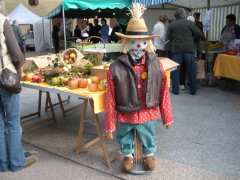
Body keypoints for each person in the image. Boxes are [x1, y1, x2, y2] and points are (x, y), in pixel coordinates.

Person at [105, 3, 173, 173]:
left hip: (147, 111)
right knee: (124, 134)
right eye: (134, 42)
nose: (138, 46)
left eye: (142, 42)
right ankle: (127, 155)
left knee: (148, 133)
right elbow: (110, 98)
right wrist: (110, 125)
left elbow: (164, 92)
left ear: (147, 43)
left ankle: (149, 154)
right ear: (127, 42)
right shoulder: (115, 67)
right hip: (125, 111)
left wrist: (167, 117)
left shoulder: (157, 65)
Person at [0, 1, 37, 172]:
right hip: (5, 79)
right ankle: (15, 162)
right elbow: (16, 54)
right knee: (13, 122)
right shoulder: (2, 21)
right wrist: (20, 69)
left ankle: (3, 163)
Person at [166, 8, 204, 95]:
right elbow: (200, 34)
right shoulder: (189, 23)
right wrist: (192, 37)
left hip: (176, 50)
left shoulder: (171, 25)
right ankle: (193, 90)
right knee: (191, 70)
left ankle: (175, 90)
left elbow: (167, 38)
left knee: (175, 71)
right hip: (188, 50)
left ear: (176, 15)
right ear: (183, 15)